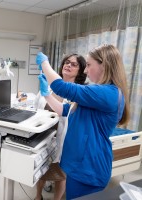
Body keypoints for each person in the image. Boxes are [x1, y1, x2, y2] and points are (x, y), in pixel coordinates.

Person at [36, 44, 130, 199]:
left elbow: (62, 87)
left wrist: (44, 63)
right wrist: (46, 94)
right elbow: (65, 110)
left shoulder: (110, 94)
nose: (85, 70)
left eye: (88, 65)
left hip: (89, 168)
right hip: (79, 165)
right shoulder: (98, 91)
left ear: (104, 65)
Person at [34, 54, 87, 200]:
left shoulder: (79, 92)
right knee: (40, 170)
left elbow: (68, 113)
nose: (68, 65)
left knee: (61, 173)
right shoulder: (49, 85)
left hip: (65, 140)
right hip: (43, 137)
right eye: (67, 62)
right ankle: (38, 196)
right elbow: (36, 108)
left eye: (74, 64)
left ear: (81, 71)